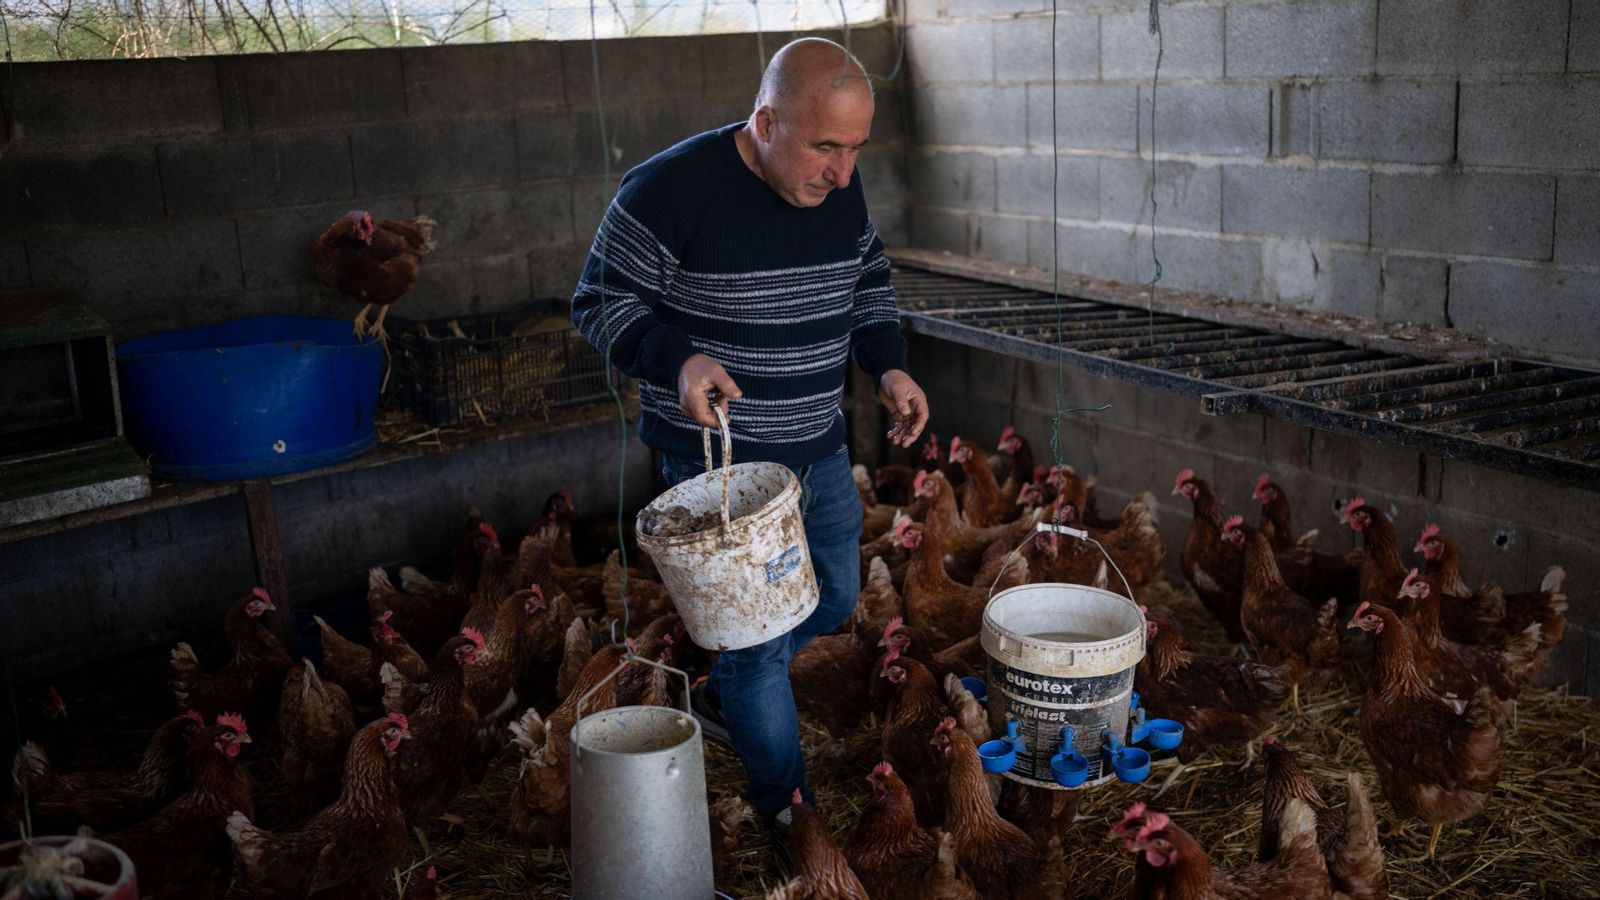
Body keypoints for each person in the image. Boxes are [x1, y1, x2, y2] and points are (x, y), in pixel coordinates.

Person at [569, 38, 930, 836]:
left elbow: (867, 276)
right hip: (721, 469)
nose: (844, 174)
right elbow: (597, 301)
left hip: (818, 445)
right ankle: (786, 811)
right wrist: (677, 358)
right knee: (760, 644)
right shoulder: (667, 190)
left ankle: (729, 684)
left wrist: (888, 365)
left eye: (857, 149)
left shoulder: (837, 186)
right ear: (766, 123)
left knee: (835, 595)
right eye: (827, 147)